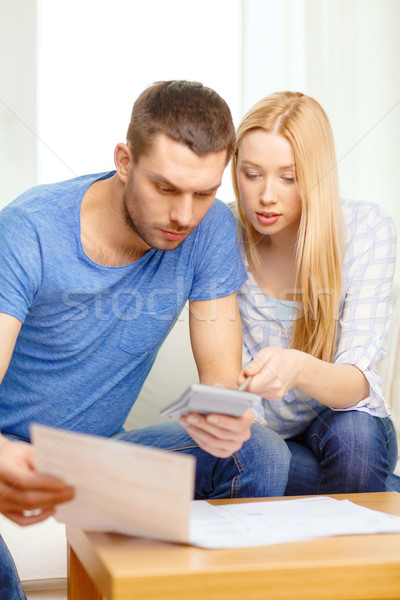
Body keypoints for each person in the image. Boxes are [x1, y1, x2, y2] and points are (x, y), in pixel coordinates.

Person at [0, 81, 291, 597]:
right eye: (165, 188)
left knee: (262, 453)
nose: (184, 215)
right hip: (8, 450)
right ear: (124, 160)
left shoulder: (209, 229)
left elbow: (220, 380)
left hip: (94, 458)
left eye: (204, 193)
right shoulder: (28, 231)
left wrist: (222, 412)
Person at [232, 90, 400, 495]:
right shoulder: (223, 234)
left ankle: (349, 547)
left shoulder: (365, 231)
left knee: (355, 439)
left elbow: (357, 385)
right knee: (266, 460)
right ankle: (386, 496)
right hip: (265, 437)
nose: (266, 195)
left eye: (288, 178)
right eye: (252, 174)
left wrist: (299, 367)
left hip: (342, 418)